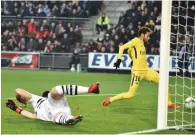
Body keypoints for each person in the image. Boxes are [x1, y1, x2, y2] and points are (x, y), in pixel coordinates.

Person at [102, 27, 180, 109]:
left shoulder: (142, 44)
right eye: (148, 35)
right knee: (130, 94)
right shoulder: (135, 41)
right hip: (137, 72)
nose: (149, 38)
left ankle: (169, 103)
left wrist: (132, 58)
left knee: (164, 82)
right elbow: (122, 48)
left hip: (146, 70)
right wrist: (119, 60)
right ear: (142, 35)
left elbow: (131, 52)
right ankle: (110, 99)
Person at [6, 82, 100, 125]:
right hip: (61, 110)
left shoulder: (38, 102)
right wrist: (16, 107)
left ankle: (69, 119)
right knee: (56, 92)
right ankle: (69, 118)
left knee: (55, 115)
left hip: (55, 111)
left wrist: (17, 108)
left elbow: (18, 90)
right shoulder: (38, 102)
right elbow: (18, 90)